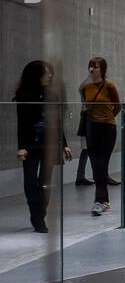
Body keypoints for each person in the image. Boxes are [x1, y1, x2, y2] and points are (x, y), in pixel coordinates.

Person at [15, 60, 72, 232]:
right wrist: (22, 146)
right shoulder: (24, 95)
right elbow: (22, 123)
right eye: (46, 72)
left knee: (45, 182)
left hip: (49, 144)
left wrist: (64, 145)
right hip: (31, 144)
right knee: (31, 181)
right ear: (36, 75)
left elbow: (57, 123)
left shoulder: (52, 95)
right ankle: (36, 215)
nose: (50, 75)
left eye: (50, 72)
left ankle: (39, 215)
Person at [79, 57, 121, 216]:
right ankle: (104, 201)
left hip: (107, 128)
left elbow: (117, 107)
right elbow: (85, 106)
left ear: (102, 69)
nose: (91, 70)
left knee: (102, 165)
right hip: (92, 128)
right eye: (90, 66)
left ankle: (100, 201)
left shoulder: (109, 86)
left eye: (95, 67)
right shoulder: (86, 87)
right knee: (96, 165)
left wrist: (107, 118)